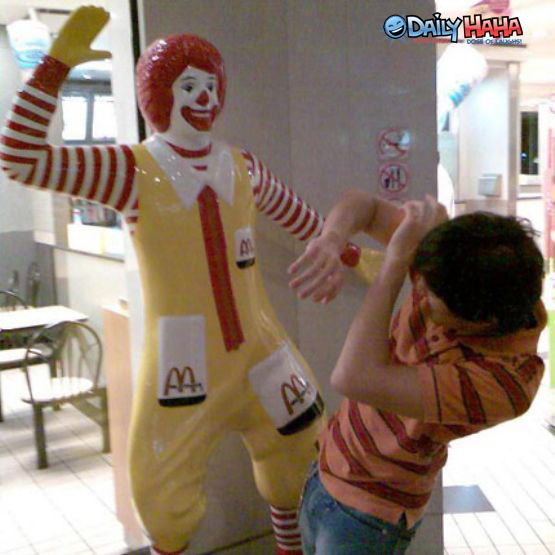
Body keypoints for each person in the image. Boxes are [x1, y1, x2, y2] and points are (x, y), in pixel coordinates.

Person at [0, 7, 382, 555]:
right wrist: (54, 67)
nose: (203, 97)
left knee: (300, 450)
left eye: (209, 85)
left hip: (261, 348)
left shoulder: (242, 166)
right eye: (187, 85)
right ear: (158, 93)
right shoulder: (128, 169)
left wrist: (354, 257)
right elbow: (20, 158)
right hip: (182, 363)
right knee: (163, 495)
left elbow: (302, 220)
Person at [289, 192, 546, 554]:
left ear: (479, 323)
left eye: (432, 299)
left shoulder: (505, 383)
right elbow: (365, 207)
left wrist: (395, 262)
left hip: (367, 515)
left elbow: (353, 377)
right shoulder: (459, 261)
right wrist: (331, 240)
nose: (419, 288)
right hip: (327, 468)